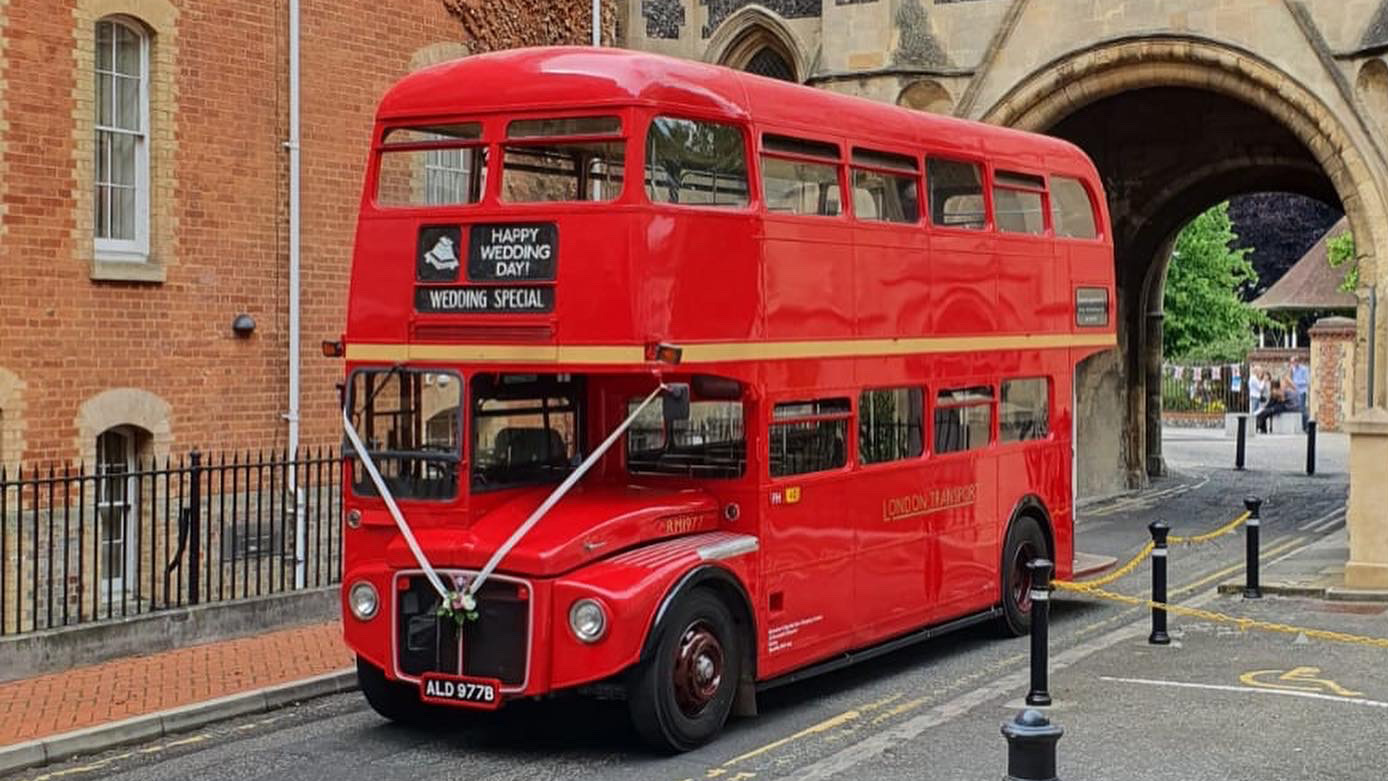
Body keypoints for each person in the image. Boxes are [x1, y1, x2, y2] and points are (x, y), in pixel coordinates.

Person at [1289, 355, 1310, 431]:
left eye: (1293, 362)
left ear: (1297, 362)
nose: (1292, 364)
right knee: (1297, 408)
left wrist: (1296, 383)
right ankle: (1301, 426)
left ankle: (1306, 426)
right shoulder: (1293, 370)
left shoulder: (1304, 369)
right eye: (1291, 362)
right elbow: (1291, 380)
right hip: (1295, 392)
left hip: (1302, 391)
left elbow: (1306, 381)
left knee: (1302, 408)